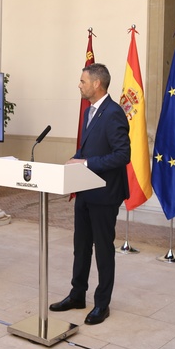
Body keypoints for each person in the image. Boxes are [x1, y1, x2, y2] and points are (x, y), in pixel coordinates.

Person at [49, 63, 130, 325]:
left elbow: (122, 155)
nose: (79, 84)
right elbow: (91, 149)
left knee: (103, 250)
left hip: (105, 194)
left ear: (97, 84)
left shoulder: (114, 113)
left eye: (83, 81)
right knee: (80, 247)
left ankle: (102, 304)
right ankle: (77, 294)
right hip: (85, 190)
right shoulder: (89, 112)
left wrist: (85, 163)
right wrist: (78, 159)